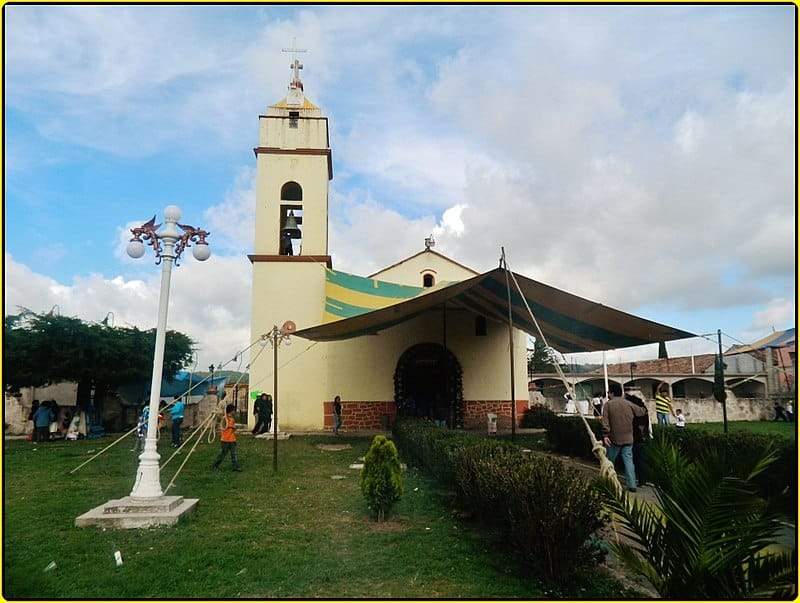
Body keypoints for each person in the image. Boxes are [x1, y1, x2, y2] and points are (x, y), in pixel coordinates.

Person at [602, 382, 647, 492]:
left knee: (609, 461)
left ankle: (608, 481)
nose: (607, 394)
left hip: (614, 438)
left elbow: (605, 422)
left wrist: (605, 435)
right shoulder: (628, 404)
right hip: (629, 438)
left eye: (608, 392)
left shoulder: (608, 404)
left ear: (612, 393)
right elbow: (641, 412)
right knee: (629, 461)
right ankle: (632, 484)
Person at [626, 393, 651, 487]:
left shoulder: (632, 412)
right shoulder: (644, 412)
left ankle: (633, 480)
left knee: (632, 460)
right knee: (642, 460)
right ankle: (642, 481)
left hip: (634, 439)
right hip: (643, 438)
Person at [212, 404, 241, 471]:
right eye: (234, 410)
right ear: (231, 411)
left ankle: (235, 467)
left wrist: (233, 428)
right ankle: (215, 465)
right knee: (223, 454)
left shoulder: (232, 419)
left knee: (234, 454)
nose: (234, 412)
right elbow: (223, 426)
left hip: (232, 439)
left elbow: (233, 428)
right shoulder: (225, 418)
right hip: (225, 439)